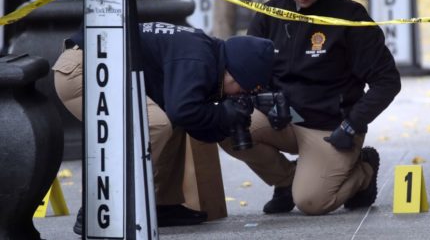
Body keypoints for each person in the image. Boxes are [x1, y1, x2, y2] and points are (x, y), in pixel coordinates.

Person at [219, 0, 401, 215]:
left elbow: (388, 81)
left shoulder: (349, 15)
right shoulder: (268, 14)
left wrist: (353, 124)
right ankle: (286, 180)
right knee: (224, 125)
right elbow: (246, 73)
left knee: (311, 203)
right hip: (281, 118)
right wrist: (263, 98)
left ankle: (363, 170)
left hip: (332, 127)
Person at [52, 21, 274, 233]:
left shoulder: (207, 55)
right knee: (154, 124)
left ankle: (161, 205)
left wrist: (226, 122)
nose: (237, 96)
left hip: (99, 65)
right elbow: (184, 110)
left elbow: (191, 122)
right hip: (84, 71)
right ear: (233, 72)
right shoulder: (199, 58)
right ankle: (100, 206)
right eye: (242, 90)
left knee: (171, 121)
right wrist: (223, 113)